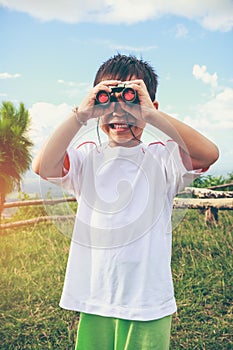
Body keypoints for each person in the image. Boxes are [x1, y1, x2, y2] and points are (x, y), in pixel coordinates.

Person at [32, 54, 219, 350]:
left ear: (150, 106)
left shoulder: (163, 158)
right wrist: (80, 115)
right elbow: (43, 166)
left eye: (132, 101)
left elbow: (209, 153)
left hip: (148, 302)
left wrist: (152, 115)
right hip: (96, 297)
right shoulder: (87, 157)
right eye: (108, 102)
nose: (120, 113)